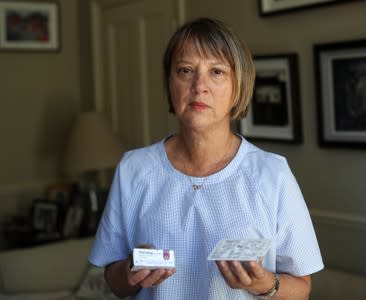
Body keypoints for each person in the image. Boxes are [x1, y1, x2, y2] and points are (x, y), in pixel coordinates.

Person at [89, 17, 324, 299]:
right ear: (170, 83)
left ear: (238, 85)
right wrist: (130, 272)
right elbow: (115, 282)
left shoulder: (272, 174)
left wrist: (264, 285)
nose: (199, 86)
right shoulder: (133, 169)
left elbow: (302, 288)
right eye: (186, 70)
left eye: (217, 72)